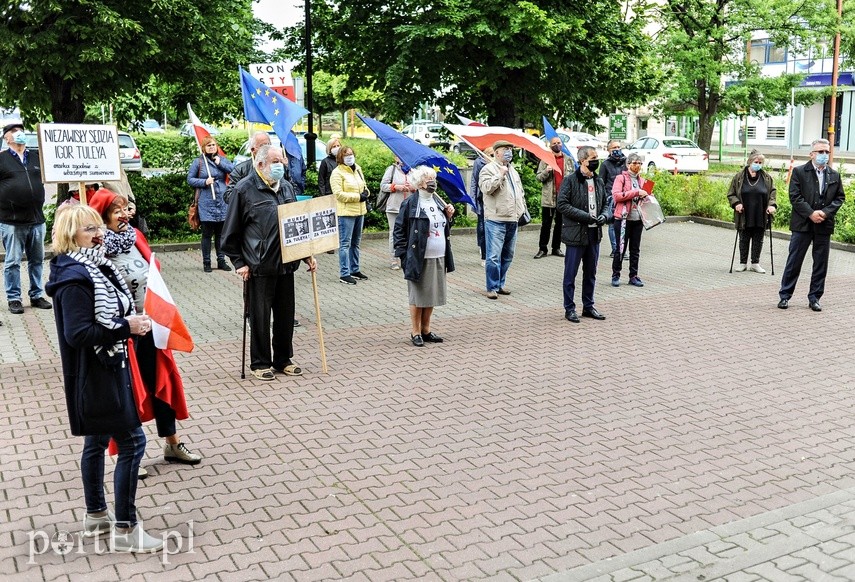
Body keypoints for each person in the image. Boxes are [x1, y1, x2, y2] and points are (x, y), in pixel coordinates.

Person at [45, 204, 164, 552]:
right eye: (88, 230)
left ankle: (97, 514)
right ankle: (126, 528)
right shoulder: (74, 278)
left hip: (106, 368)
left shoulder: (94, 266)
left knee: (96, 441)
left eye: (98, 227)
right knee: (132, 443)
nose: (98, 234)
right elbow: (78, 333)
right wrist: (126, 326)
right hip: (96, 375)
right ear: (70, 236)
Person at [88, 188, 201, 468]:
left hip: (150, 324)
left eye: (126, 209)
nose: (124, 215)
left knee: (161, 382)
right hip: (122, 333)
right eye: (117, 211)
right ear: (103, 217)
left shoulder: (135, 236)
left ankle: (172, 444)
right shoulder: (97, 249)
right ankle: (124, 455)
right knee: (126, 391)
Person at [221, 145, 318, 381]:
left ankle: (283, 358)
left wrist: (307, 253)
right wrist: (238, 262)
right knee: (260, 318)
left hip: (286, 264)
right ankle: (260, 362)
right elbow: (230, 231)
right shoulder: (244, 190)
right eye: (276, 161)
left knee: (285, 316)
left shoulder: (286, 187)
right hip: (259, 266)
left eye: (282, 161)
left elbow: (297, 224)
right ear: (261, 163)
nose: (281, 165)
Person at [778, 138, 845, 311]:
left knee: (820, 263)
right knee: (794, 261)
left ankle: (815, 297)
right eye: (820, 152)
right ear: (811, 154)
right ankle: (785, 295)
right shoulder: (800, 172)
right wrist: (810, 213)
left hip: (824, 225)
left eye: (826, 152)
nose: (824, 155)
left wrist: (825, 212)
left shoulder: (834, 175)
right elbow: (795, 196)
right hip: (802, 225)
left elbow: (839, 198)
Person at [393, 166, 455, 347]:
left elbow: (442, 226)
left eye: (434, 178)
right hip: (419, 256)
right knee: (418, 295)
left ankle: (426, 330)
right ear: (419, 182)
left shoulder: (438, 201)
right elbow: (399, 230)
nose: (432, 182)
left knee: (431, 293)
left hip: (439, 255)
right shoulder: (410, 203)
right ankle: (415, 331)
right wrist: (402, 254)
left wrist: (449, 216)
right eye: (428, 178)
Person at [0, 122, 52, 314]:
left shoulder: (35, 157)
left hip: (37, 219)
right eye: (14, 132)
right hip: (12, 221)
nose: (19, 134)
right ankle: (14, 298)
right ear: (7, 138)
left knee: (37, 260)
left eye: (21, 131)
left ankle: (37, 295)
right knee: (13, 262)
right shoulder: (2, 159)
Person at [557, 145, 611, 323]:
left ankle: (588, 306)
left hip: (594, 234)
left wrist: (604, 215)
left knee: (591, 273)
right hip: (575, 234)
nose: (596, 161)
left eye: (597, 157)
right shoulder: (570, 180)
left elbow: (605, 203)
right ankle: (569, 308)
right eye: (593, 158)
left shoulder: (599, 181)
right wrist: (586, 217)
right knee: (570, 274)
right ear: (582, 161)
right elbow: (562, 204)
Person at [478, 140, 527, 299]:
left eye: (511, 150)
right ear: (497, 152)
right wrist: (499, 175)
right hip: (496, 219)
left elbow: (519, 192)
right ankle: (491, 287)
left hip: (513, 219)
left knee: (508, 255)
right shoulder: (488, 169)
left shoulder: (513, 170)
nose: (509, 152)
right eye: (506, 149)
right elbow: (486, 189)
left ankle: (500, 284)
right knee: (493, 256)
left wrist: (522, 209)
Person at [187, 135, 234, 273]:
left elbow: (232, 169)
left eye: (214, 145)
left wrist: (220, 163)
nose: (212, 147)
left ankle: (221, 260)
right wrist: (204, 182)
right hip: (206, 201)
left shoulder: (222, 160)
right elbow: (190, 179)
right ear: (204, 148)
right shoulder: (199, 162)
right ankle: (206, 262)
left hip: (222, 201)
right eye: (209, 145)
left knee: (221, 234)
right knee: (207, 234)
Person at [726, 150, 777, 273]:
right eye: (756, 162)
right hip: (744, 213)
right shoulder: (739, 177)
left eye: (760, 162)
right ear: (750, 162)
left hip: (760, 213)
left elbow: (772, 194)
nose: (758, 164)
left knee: (758, 239)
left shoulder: (766, 178)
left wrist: (772, 205)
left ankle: (755, 263)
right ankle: (743, 263)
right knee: (744, 238)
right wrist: (736, 203)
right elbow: (731, 194)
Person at [330, 145, 370, 285]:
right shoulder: (337, 173)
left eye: (351, 154)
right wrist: (358, 197)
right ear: (341, 157)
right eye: (347, 155)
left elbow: (364, 186)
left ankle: (355, 269)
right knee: (345, 244)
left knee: (356, 242)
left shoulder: (357, 168)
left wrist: (366, 193)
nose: (350, 157)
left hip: (360, 211)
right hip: (346, 212)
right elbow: (338, 194)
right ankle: (344, 272)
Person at [611, 153, 651, 287]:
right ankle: (615, 274)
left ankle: (633, 276)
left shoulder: (642, 180)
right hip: (622, 219)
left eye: (639, 163)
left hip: (637, 219)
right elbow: (617, 196)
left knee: (635, 249)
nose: (637, 166)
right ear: (628, 164)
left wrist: (647, 196)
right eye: (634, 163)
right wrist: (636, 192)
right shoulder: (620, 178)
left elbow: (645, 198)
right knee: (620, 248)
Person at [534, 137, 574, 259]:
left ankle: (556, 248)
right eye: (554, 144)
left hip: (563, 198)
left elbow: (573, 178)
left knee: (560, 224)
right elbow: (538, 177)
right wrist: (546, 171)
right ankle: (542, 248)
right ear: (550, 146)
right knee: (546, 224)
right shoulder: (546, 160)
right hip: (549, 198)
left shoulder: (568, 160)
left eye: (558, 143)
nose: (557, 145)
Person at [380, 156, 416, 269]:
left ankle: (407, 258)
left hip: (410, 208)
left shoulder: (413, 171)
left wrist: (413, 187)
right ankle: (394, 260)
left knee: (410, 233)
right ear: (395, 158)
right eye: (399, 156)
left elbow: (420, 186)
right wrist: (397, 187)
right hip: (394, 207)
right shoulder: (391, 169)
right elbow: (383, 186)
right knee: (394, 233)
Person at [225, 131, 271, 203]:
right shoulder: (240, 170)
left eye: (268, 144)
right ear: (253, 150)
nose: (267, 148)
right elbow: (229, 196)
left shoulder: (279, 167)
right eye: (262, 145)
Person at [600, 140, 627, 258]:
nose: (617, 149)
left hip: (624, 196)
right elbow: (601, 182)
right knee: (612, 223)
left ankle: (623, 249)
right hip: (611, 197)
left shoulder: (625, 163)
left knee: (624, 224)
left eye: (618, 147)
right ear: (608, 150)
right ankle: (615, 249)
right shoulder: (605, 164)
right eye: (614, 147)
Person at [470, 146, 494, 267]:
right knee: (483, 227)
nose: (493, 157)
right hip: (482, 199)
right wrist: (472, 199)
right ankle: (484, 254)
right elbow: (474, 181)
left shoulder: (501, 166)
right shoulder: (479, 163)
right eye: (491, 155)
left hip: (495, 202)